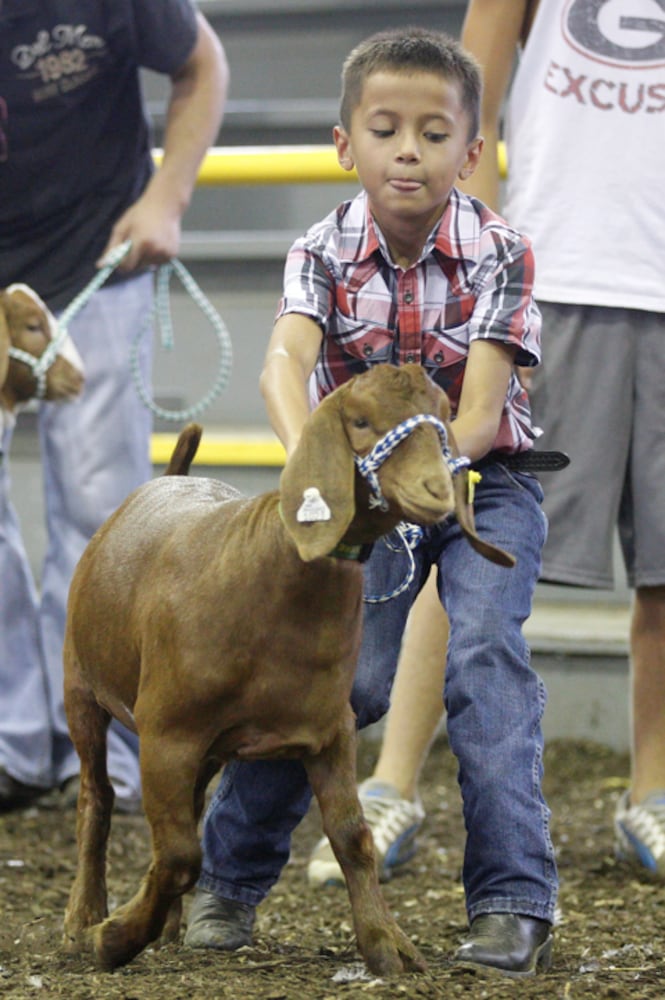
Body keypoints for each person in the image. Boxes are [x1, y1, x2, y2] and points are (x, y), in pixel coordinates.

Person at [184, 27, 558, 977]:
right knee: (340, 684)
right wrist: (310, 462)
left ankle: (512, 901)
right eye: (385, 129)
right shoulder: (318, 251)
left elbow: (474, 418)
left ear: (471, 152)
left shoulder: (501, 251)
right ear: (345, 143)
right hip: (361, 494)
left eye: (435, 133)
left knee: (482, 657)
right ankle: (225, 883)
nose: (408, 149)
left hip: (482, 482)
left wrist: (404, 465)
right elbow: (286, 363)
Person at [311, 0, 665, 887]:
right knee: (456, 522)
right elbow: (471, 97)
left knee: (663, 564)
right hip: (560, 270)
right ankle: (394, 780)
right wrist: (487, 278)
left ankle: (652, 792)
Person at [0, 1, 228, 812]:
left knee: (97, 511)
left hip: (98, 249)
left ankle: (105, 755)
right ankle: (12, 744)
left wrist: (168, 197)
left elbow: (202, 65)